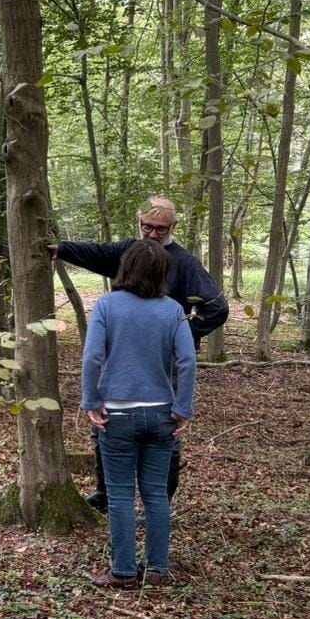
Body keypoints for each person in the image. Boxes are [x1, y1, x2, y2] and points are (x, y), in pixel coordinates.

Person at [52, 196, 227, 512]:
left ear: (172, 227)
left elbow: (217, 307)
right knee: (104, 425)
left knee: (167, 434)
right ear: (139, 223)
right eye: (148, 226)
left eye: (161, 229)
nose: (153, 234)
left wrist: (183, 335)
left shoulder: (184, 263)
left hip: (165, 366)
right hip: (122, 361)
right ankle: (107, 495)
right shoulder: (129, 253)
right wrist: (61, 249)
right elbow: (98, 253)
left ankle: (159, 502)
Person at [80, 240, 197, 588]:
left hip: (116, 414)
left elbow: (92, 358)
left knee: (119, 494)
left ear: (125, 269)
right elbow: (188, 362)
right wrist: (182, 408)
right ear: (163, 273)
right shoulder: (173, 310)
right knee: (156, 493)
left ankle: (124, 571)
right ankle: (158, 569)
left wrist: (91, 401)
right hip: (161, 414)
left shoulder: (107, 306)